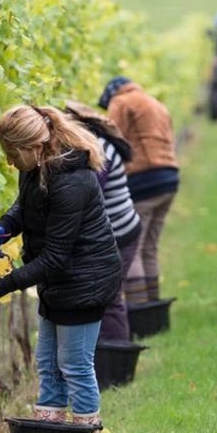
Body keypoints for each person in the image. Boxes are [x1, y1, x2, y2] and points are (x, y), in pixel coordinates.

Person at [0, 104, 122, 433]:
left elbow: (57, 257)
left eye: (14, 155)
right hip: (59, 282)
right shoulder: (36, 168)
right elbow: (24, 206)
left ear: (34, 146)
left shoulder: (72, 181)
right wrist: (5, 226)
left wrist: (3, 284)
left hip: (84, 280)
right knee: (48, 364)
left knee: (75, 366)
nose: (11, 163)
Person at [65, 100, 141, 343]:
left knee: (109, 297)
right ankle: (108, 359)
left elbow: (89, 196)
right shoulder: (92, 146)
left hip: (120, 235)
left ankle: (117, 361)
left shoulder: (99, 149)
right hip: (115, 233)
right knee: (105, 297)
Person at [99, 77, 179, 304]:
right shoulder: (156, 104)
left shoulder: (121, 102)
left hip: (144, 179)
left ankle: (139, 309)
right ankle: (153, 303)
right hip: (169, 179)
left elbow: (111, 139)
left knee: (133, 245)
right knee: (150, 246)